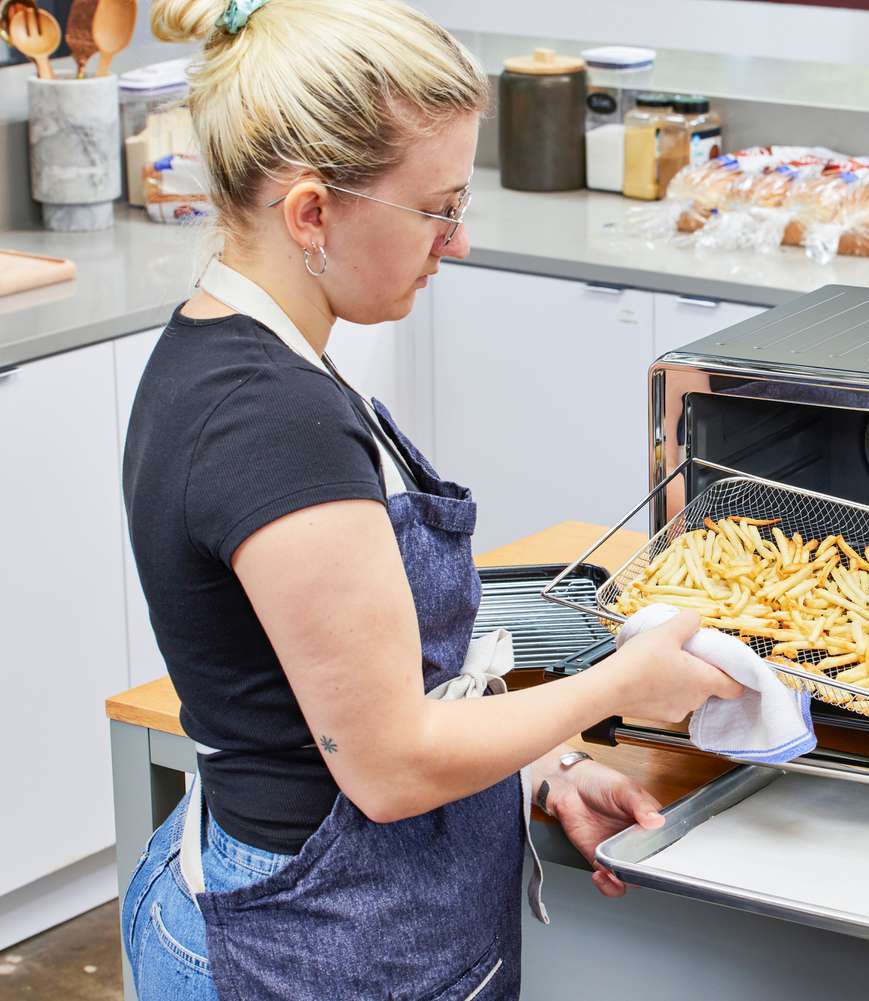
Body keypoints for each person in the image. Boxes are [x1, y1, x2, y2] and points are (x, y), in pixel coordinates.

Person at [118, 2, 743, 998]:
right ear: (311, 212)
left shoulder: (238, 358)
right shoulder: (269, 424)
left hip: (328, 902)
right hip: (306, 938)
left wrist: (543, 767)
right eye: (437, 208)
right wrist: (619, 683)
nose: (454, 243)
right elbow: (391, 762)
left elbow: (364, 695)